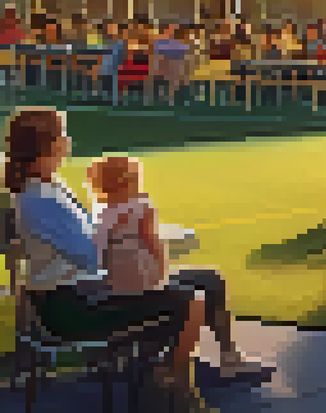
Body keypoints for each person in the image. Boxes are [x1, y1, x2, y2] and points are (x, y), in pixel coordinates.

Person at [7, 108, 212, 410]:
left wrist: (123, 236)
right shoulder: (41, 199)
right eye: (62, 134)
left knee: (198, 285)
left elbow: (90, 239)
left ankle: (160, 379)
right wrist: (131, 239)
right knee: (188, 302)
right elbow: (92, 257)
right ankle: (176, 390)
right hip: (70, 309)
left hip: (78, 294)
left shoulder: (50, 187)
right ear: (47, 146)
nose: (68, 140)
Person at [85, 155, 268, 381]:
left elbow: (100, 251)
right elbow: (154, 245)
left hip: (116, 284)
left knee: (204, 280)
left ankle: (214, 358)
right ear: (129, 181)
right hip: (142, 284)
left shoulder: (100, 211)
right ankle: (223, 359)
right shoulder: (141, 207)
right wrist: (162, 274)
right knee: (208, 283)